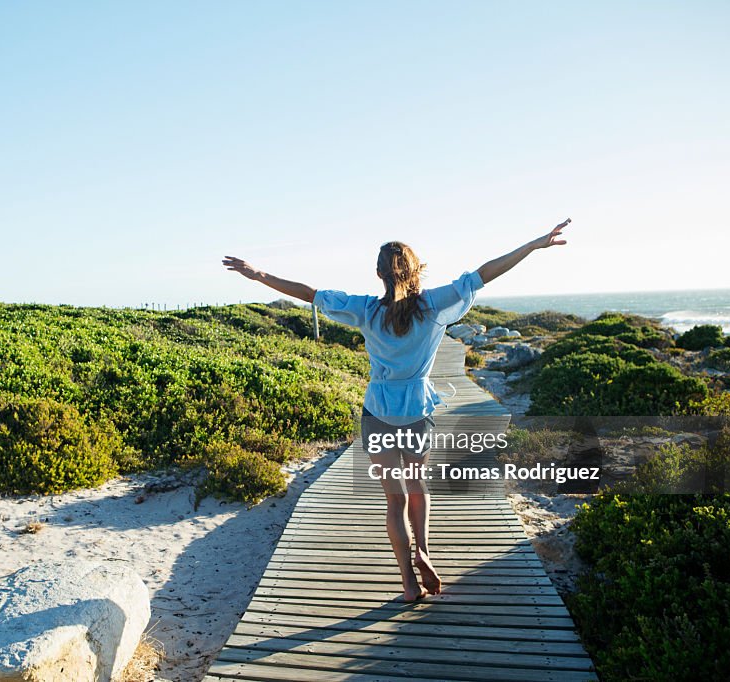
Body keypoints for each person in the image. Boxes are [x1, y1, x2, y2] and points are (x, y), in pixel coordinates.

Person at [222, 218, 571, 602]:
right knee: (418, 489)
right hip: (416, 410)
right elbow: (484, 273)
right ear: (416, 269)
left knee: (395, 500)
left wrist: (259, 275)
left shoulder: (366, 310)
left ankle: (407, 582)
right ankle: (424, 549)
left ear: (378, 274)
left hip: (378, 411)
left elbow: (311, 293)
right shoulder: (434, 305)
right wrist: (533, 244)